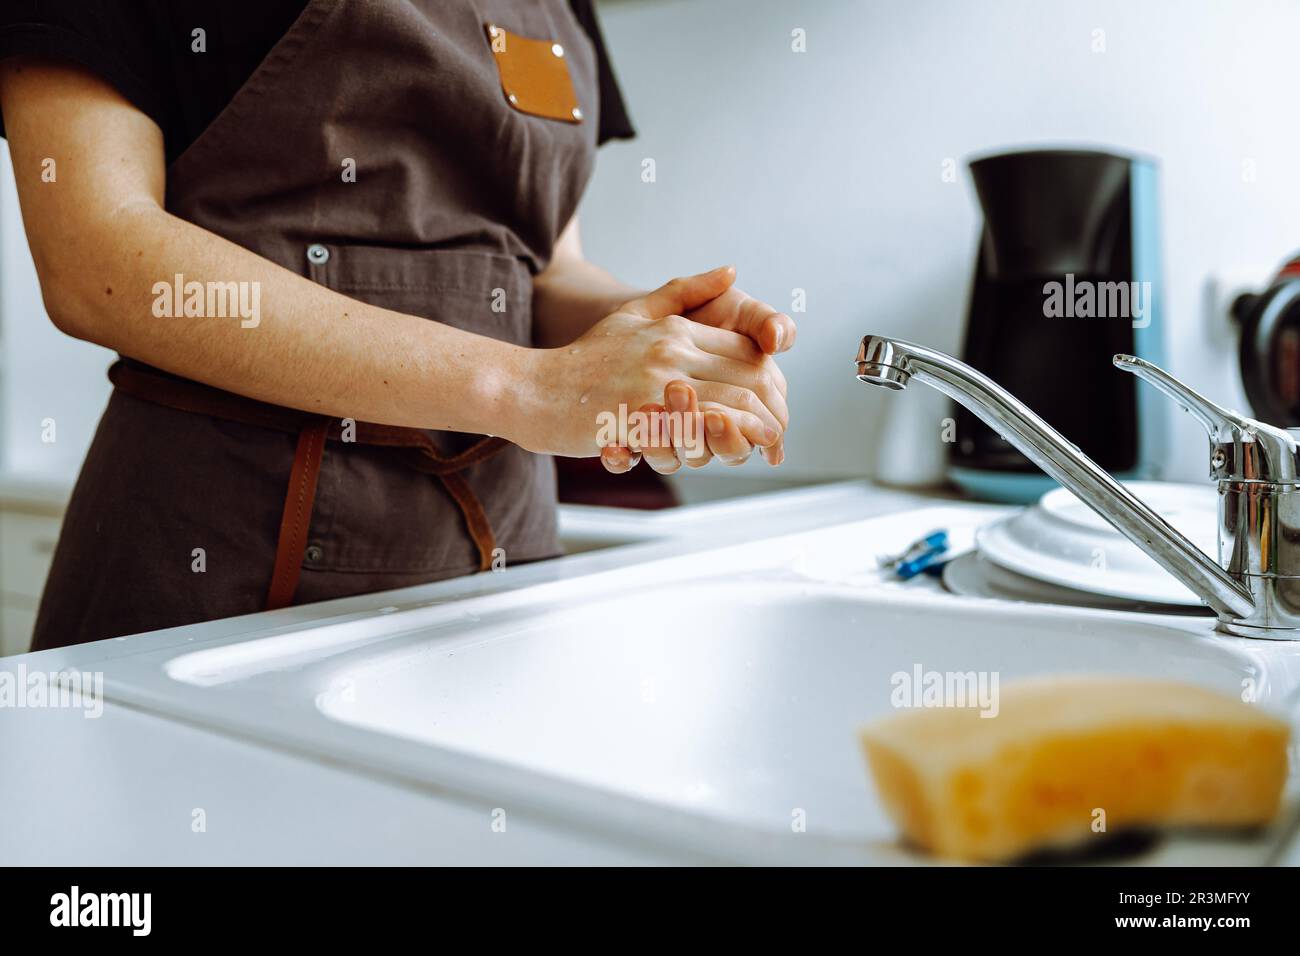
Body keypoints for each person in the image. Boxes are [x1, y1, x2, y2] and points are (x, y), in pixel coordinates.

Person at [0, 0, 795, 649]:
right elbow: (93, 257)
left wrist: (661, 341)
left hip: (505, 567)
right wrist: (532, 388)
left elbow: (542, 272)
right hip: (222, 565)